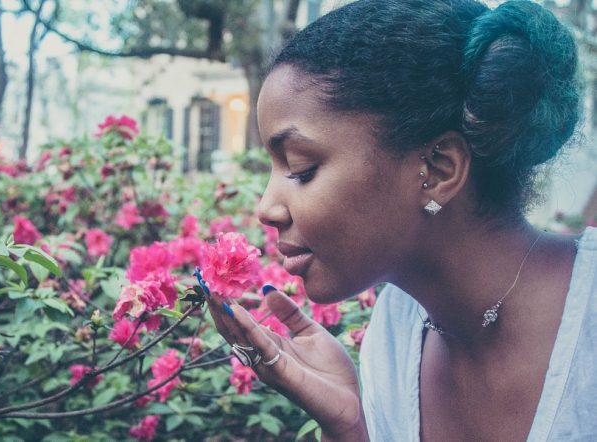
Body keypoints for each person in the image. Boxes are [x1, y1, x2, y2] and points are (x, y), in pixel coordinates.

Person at [208, 0, 595, 440]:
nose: (266, 208)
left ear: (438, 169)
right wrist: (351, 426)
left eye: (300, 168)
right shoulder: (397, 333)